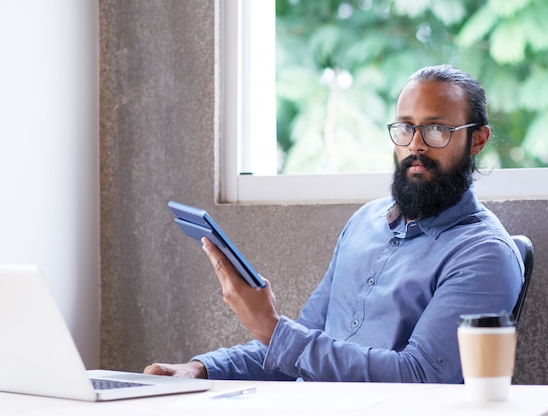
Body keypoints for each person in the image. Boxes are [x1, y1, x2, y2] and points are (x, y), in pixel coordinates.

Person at [144, 64, 524, 383]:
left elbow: (421, 378)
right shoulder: (364, 223)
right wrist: (201, 370)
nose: (416, 145)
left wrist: (272, 329)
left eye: (437, 129)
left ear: (477, 141)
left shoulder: (485, 255)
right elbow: (301, 349)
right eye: (406, 128)